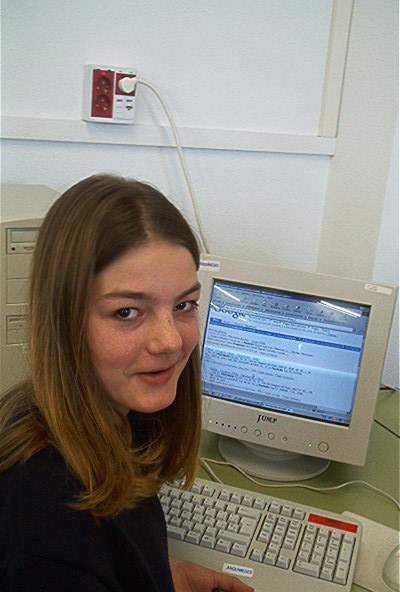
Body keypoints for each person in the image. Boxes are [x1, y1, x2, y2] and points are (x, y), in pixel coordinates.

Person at [0, 174, 254, 592]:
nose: (170, 342)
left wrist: (162, 578)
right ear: (64, 320)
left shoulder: (116, 417)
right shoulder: (46, 516)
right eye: (126, 312)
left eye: (184, 305)